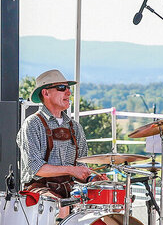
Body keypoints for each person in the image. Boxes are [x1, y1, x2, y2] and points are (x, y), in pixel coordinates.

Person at [17, 69, 100, 216]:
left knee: (104, 200)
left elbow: (81, 166)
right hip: (39, 188)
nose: (68, 92)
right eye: (62, 88)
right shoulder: (32, 124)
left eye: (68, 88)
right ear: (46, 93)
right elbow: (36, 168)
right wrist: (71, 170)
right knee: (60, 206)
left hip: (70, 187)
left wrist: (93, 178)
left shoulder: (75, 127)